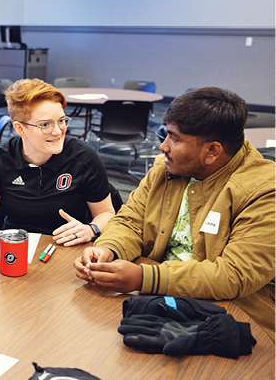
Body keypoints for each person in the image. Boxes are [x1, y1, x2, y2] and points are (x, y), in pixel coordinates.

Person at [74, 87, 275, 341]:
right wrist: (108, 248)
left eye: (175, 138)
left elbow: (233, 275)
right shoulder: (165, 170)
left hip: (233, 315)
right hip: (158, 300)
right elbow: (130, 221)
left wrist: (144, 278)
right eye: (165, 134)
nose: (163, 146)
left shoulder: (265, 191)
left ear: (212, 151)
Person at [0, 78, 116, 243]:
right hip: (16, 245)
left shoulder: (83, 157)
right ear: (20, 128)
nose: (58, 131)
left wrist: (91, 229)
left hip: (67, 246)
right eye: (45, 125)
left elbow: (106, 213)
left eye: (61, 121)